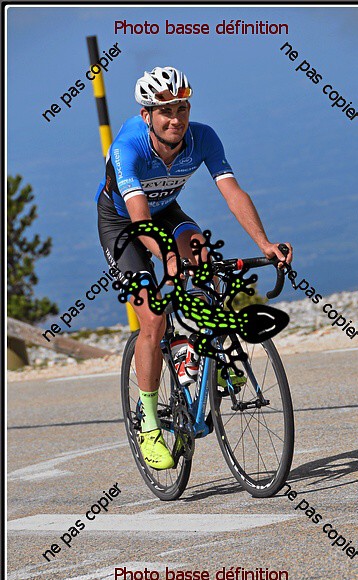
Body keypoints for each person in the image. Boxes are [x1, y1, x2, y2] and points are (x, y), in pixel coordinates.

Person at [95, 66, 293, 470]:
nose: (176, 119)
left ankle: (209, 352)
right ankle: (149, 421)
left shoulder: (203, 137)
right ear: (147, 115)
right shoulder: (128, 148)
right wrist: (168, 257)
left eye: (182, 108)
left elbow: (232, 192)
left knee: (205, 262)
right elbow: (139, 220)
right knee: (153, 320)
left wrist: (265, 243)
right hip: (123, 225)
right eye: (165, 111)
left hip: (167, 212)